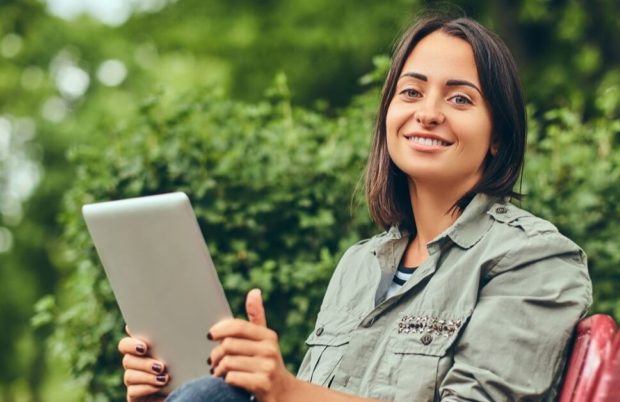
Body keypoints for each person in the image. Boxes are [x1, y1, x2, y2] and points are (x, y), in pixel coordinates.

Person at [118, 12, 592, 402]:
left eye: (460, 98)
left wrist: (286, 391)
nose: (427, 112)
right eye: (411, 91)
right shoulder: (360, 266)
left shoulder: (535, 259)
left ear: (499, 137)